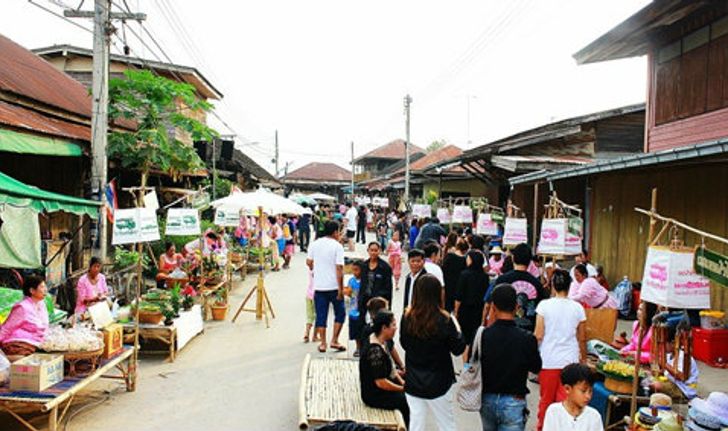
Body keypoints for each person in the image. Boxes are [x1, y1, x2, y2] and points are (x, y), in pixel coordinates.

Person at [400, 274, 465, 431]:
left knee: (416, 423)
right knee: (446, 424)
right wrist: (458, 330)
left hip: (414, 379)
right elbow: (458, 349)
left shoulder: (407, 316)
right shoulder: (445, 319)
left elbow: (404, 344)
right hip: (440, 381)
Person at [480, 284, 542, 431]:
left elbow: (473, 361)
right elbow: (536, 367)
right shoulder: (527, 338)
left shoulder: (483, 335)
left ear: (493, 307)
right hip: (514, 400)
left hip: (487, 398)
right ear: (516, 307)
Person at [534, 269, 587, 431]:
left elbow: (538, 334)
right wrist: (583, 360)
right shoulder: (578, 308)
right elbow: (582, 338)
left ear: (552, 286)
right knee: (566, 403)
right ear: (570, 286)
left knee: (546, 401)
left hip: (548, 360)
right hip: (570, 361)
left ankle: (543, 428)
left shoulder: (544, 306)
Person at [359, 310, 410, 427]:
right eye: (393, 325)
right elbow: (381, 382)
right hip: (374, 394)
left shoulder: (381, 340)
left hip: (384, 381)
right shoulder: (375, 350)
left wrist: (402, 381)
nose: (396, 328)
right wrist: (402, 389)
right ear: (384, 328)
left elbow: (392, 367)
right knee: (405, 401)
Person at [484, 243, 547, 332]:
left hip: (502, 332)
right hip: (528, 334)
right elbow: (540, 314)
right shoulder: (537, 284)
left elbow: (492, 308)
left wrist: (489, 330)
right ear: (530, 261)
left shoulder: (502, 280)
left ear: (513, 258)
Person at [307, 220, 346, 352]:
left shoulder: (315, 244)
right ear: (335, 232)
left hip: (319, 286)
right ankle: (334, 340)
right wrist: (341, 289)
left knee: (321, 315)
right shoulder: (337, 246)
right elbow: (339, 268)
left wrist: (315, 268)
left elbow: (308, 261)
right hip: (334, 286)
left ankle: (323, 343)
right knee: (340, 314)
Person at [542, 363, 603, 431]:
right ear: (567, 389)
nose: (588, 396)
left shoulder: (594, 416)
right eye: (583, 391)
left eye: (590, 391)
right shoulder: (554, 411)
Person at [0, 276, 49, 358]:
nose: (45, 289)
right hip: (17, 344)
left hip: (35, 344)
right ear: (32, 291)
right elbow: (6, 328)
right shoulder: (22, 307)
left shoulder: (41, 304)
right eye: (42, 287)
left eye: (45, 286)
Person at [454, 250, 489, 362]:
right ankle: (474, 364)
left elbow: (459, 296)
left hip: (465, 310)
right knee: (475, 338)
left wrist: (456, 312)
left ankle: (466, 366)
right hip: (479, 310)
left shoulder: (464, 274)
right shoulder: (484, 277)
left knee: (466, 340)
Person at [359, 242, 394, 314]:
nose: (373, 253)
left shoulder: (385, 267)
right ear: (368, 250)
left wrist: (387, 305)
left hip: (378, 302)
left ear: (379, 251)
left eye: (375, 250)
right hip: (364, 300)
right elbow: (362, 284)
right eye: (371, 250)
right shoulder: (364, 265)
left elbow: (388, 288)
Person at [442, 240, 468, 312]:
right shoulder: (464, 260)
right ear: (465, 250)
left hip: (447, 285)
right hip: (457, 287)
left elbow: (443, 269)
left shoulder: (449, 256)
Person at [346, 261, 364, 355]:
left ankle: (363, 347)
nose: (354, 272)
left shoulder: (365, 281)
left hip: (362, 309)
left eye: (357, 270)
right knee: (355, 330)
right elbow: (349, 292)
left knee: (362, 329)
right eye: (353, 270)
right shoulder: (351, 280)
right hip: (353, 309)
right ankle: (358, 347)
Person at [303, 268, 318, 343]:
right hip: (317, 295)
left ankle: (307, 333)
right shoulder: (319, 269)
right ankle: (315, 336)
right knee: (318, 316)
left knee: (309, 316)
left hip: (309, 294)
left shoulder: (310, 269)